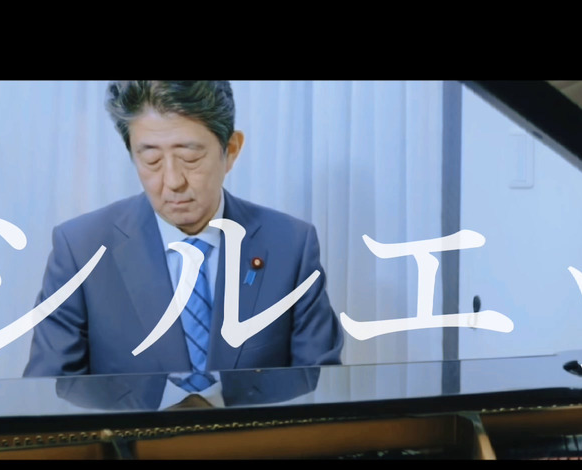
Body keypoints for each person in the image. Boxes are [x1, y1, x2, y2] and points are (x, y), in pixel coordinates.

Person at [24, 81, 343, 380]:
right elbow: (49, 397)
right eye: (151, 160)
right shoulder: (81, 250)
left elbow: (320, 393)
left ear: (231, 151)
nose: (173, 181)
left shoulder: (290, 246)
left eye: (190, 157)